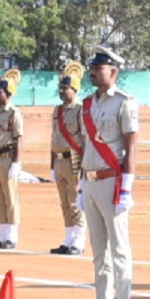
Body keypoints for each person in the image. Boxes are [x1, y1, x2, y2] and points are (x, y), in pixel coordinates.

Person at [75, 49, 138, 299]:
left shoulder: (125, 102)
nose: (93, 71)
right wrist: (81, 184)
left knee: (119, 250)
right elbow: (86, 145)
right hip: (90, 181)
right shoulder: (87, 104)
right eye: (92, 67)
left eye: (99, 67)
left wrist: (126, 187)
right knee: (99, 251)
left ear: (113, 71)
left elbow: (131, 146)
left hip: (113, 182)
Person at [49, 72, 87, 255]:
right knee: (64, 202)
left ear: (75, 89)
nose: (62, 91)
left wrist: (83, 167)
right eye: (61, 88)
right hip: (59, 160)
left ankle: (79, 240)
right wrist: (52, 165)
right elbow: (53, 138)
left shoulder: (80, 110)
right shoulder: (57, 111)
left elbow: (85, 140)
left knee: (76, 201)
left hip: (74, 160)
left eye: (66, 88)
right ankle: (69, 237)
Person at [0, 75, 25, 249]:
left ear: (8, 93)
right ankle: (2, 235)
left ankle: (12, 236)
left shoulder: (14, 114)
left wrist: (16, 163)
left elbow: (19, 139)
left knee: (10, 198)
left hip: (7, 159)